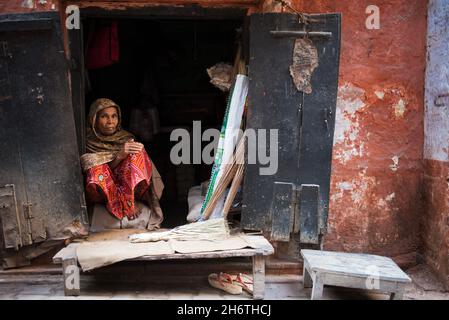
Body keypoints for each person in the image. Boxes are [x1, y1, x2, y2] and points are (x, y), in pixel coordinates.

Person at [80, 98, 163, 229]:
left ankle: (130, 202)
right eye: (104, 116)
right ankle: (115, 204)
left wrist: (126, 154)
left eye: (114, 116)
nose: (110, 122)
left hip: (128, 190)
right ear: (94, 119)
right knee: (96, 167)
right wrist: (119, 156)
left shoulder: (125, 138)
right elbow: (95, 167)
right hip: (103, 192)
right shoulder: (87, 140)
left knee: (137, 153)